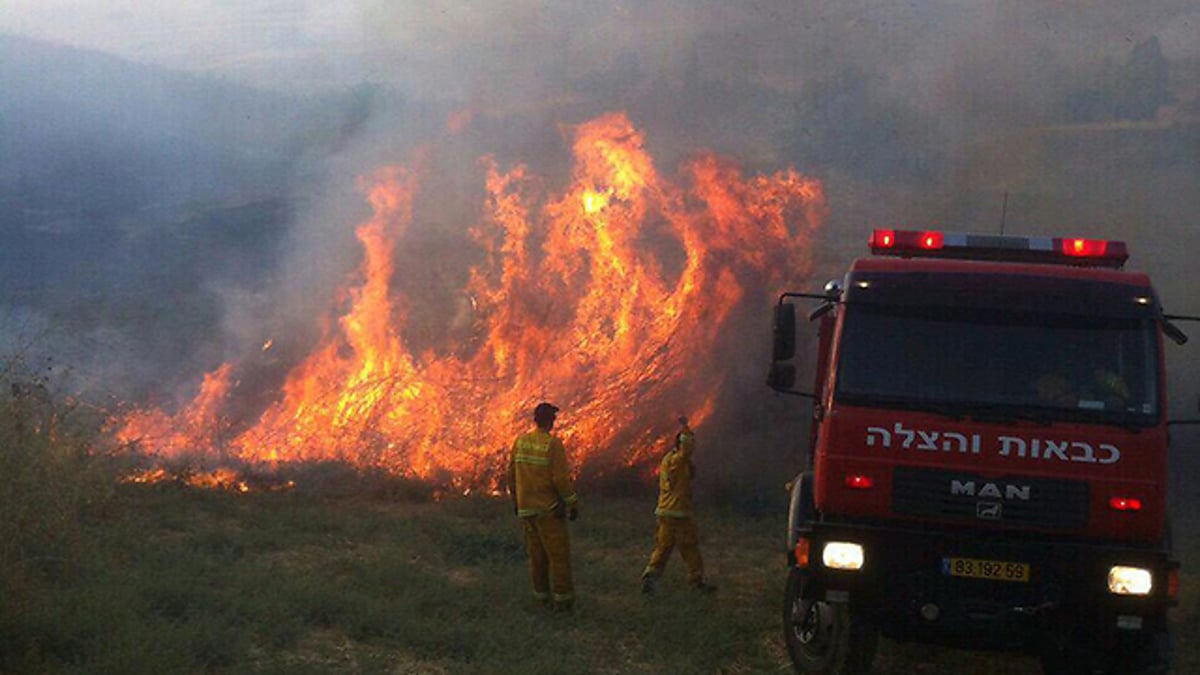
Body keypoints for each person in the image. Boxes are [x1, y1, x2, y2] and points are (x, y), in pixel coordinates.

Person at [508, 402, 579, 611]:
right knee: (558, 557)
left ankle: (541, 600)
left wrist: (516, 502)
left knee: (537, 558)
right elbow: (560, 480)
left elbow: (510, 476)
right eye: (554, 419)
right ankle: (563, 603)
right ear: (550, 421)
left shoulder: (520, 442)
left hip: (526, 510)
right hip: (548, 510)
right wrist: (572, 502)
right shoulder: (552, 444)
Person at [641, 416, 715, 594]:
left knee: (663, 547)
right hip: (678, 513)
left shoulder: (670, 460)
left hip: (666, 512)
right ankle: (697, 581)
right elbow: (687, 449)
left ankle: (650, 577)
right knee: (689, 547)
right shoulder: (677, 461)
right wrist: (686, 429)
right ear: (680, 445)